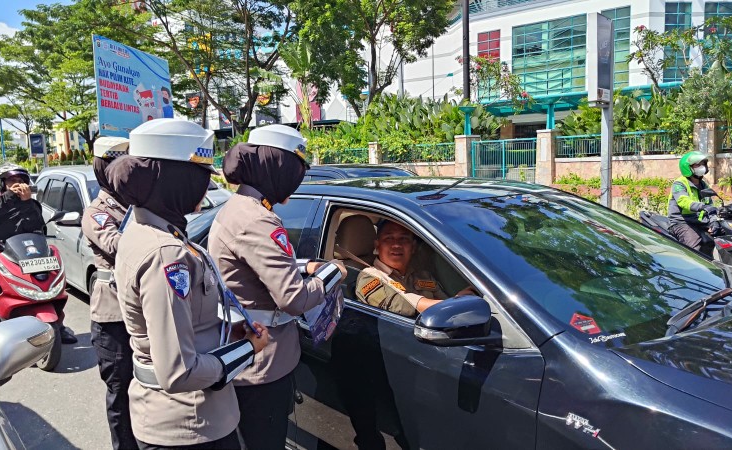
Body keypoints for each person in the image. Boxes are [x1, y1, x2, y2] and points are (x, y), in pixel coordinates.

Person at [108, 118, 270, 450]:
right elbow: (179, 371)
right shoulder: (166, 254)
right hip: (189, 424)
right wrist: (247, 349)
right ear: (176, 180)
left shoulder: (147, 230)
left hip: (183, 418)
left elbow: (183, 324)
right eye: (199, 178)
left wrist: (228, 335)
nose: (204, 189)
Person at [208, 124, 346, 449]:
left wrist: (305, 266)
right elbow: (293, 297)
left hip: (252, 356)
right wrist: (334, 273)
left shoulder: (240, 208)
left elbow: (256, 268)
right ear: (277, 169)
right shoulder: (258, 219)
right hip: (262, 364)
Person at [0, 164, 76, 368]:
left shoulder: (30, 203)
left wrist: (25, 203)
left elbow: (36, 227)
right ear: (2, 184)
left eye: (21, 180)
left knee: (52, 287)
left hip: (23, 257)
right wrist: (11, 198)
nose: (17, 184)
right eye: (11, 180)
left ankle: (57, 325)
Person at [81, 136, 136, 450]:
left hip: (140, 309)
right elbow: (119, 246)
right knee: (120, 390)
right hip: (113, 313)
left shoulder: (137, 202)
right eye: (114, 164)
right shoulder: (97, 211)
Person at [356, 220, 473, 317]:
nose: (396, 245)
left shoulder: (423, 276)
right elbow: (400, 306)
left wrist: (459, 299)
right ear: (377, 246)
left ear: (413, 247)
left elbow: (443, 300)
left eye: (403, 239)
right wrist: (453, 306)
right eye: (389, 238)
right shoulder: (370, 277)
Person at [668, 151, 717, 256]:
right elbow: (683, 201)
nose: (702, 167)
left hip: (698, 221)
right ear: (688, 167)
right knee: (694, 249)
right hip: (682, 222)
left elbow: (710, 206)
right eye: (697, 165)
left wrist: (713, 221)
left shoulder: (704, 185)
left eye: (703, 164)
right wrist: (701, 206)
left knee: (719, 237)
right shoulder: (679, 183)